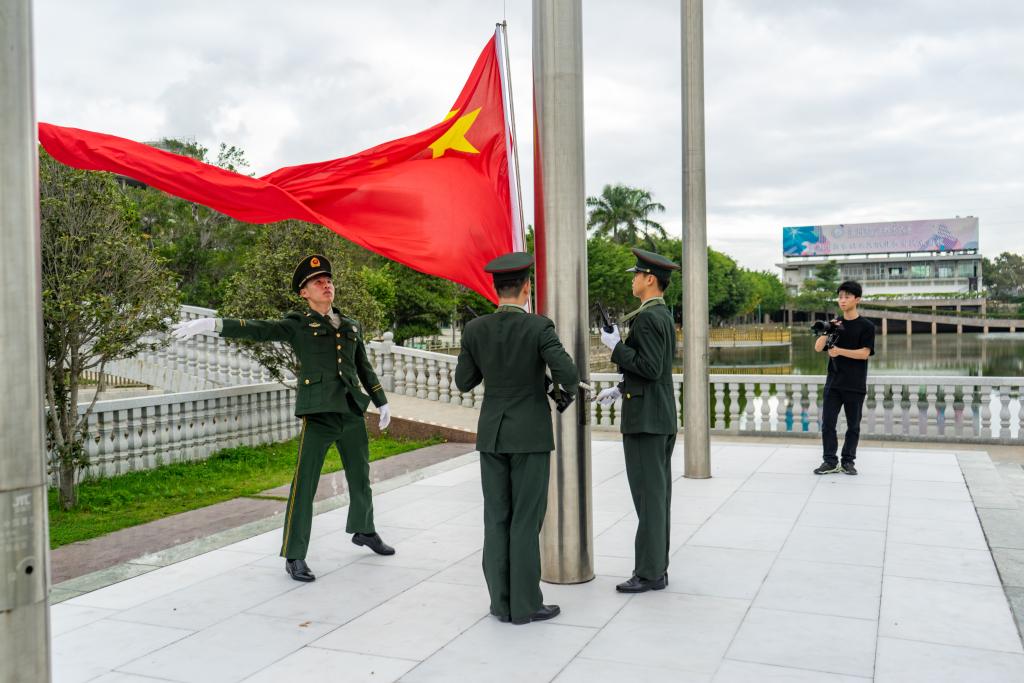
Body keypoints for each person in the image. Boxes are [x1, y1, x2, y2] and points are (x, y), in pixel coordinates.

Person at [171, 254, 396, 582]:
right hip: (318, 413)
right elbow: (258, 329)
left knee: (361, 475)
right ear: (304, 292)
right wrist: (212, 325)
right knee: (305, 484)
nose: (326, 285)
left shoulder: (350, 325)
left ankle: (364, 530)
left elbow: (363, 366)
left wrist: (381, 401)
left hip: (350, 410)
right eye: (318, 282)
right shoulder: (298, 324)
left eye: (329, 280)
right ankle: (294, 554)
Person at [454, 252, 579, 625]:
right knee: (525, 518)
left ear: (496, 288)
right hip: (529, 436)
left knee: (496, 518)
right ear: (527, 288)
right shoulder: (539, 327)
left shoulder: (475, 330)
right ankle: (524, 605)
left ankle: (500, 603)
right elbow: (568, 374)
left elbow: (464, 381)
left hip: (492, 434)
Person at [595, 248, 679, 593]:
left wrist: (615, 347)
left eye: (636, 275)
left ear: (650, 279)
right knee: (656, 498)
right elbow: (652, 369)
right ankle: (656, 567)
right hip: (657, 415)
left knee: (649, 500)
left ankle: (649, 573)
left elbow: (650, 367)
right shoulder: (661, 315)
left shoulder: (648, 318)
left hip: (646, 421)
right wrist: (621, 387)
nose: (632, 280)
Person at [812, 280, 875, 476]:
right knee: (828, 424)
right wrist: (827, 330)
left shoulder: (866, 326)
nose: (842, 300)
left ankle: (848, 461)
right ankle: (830, 461)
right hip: (833, 384)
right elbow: (818, 348)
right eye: (840, 297)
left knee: (853, 426)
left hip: (855, 384)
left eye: (847, 297)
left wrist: (839, 351)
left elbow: (864, 353)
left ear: (857, 299)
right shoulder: (835, 324)